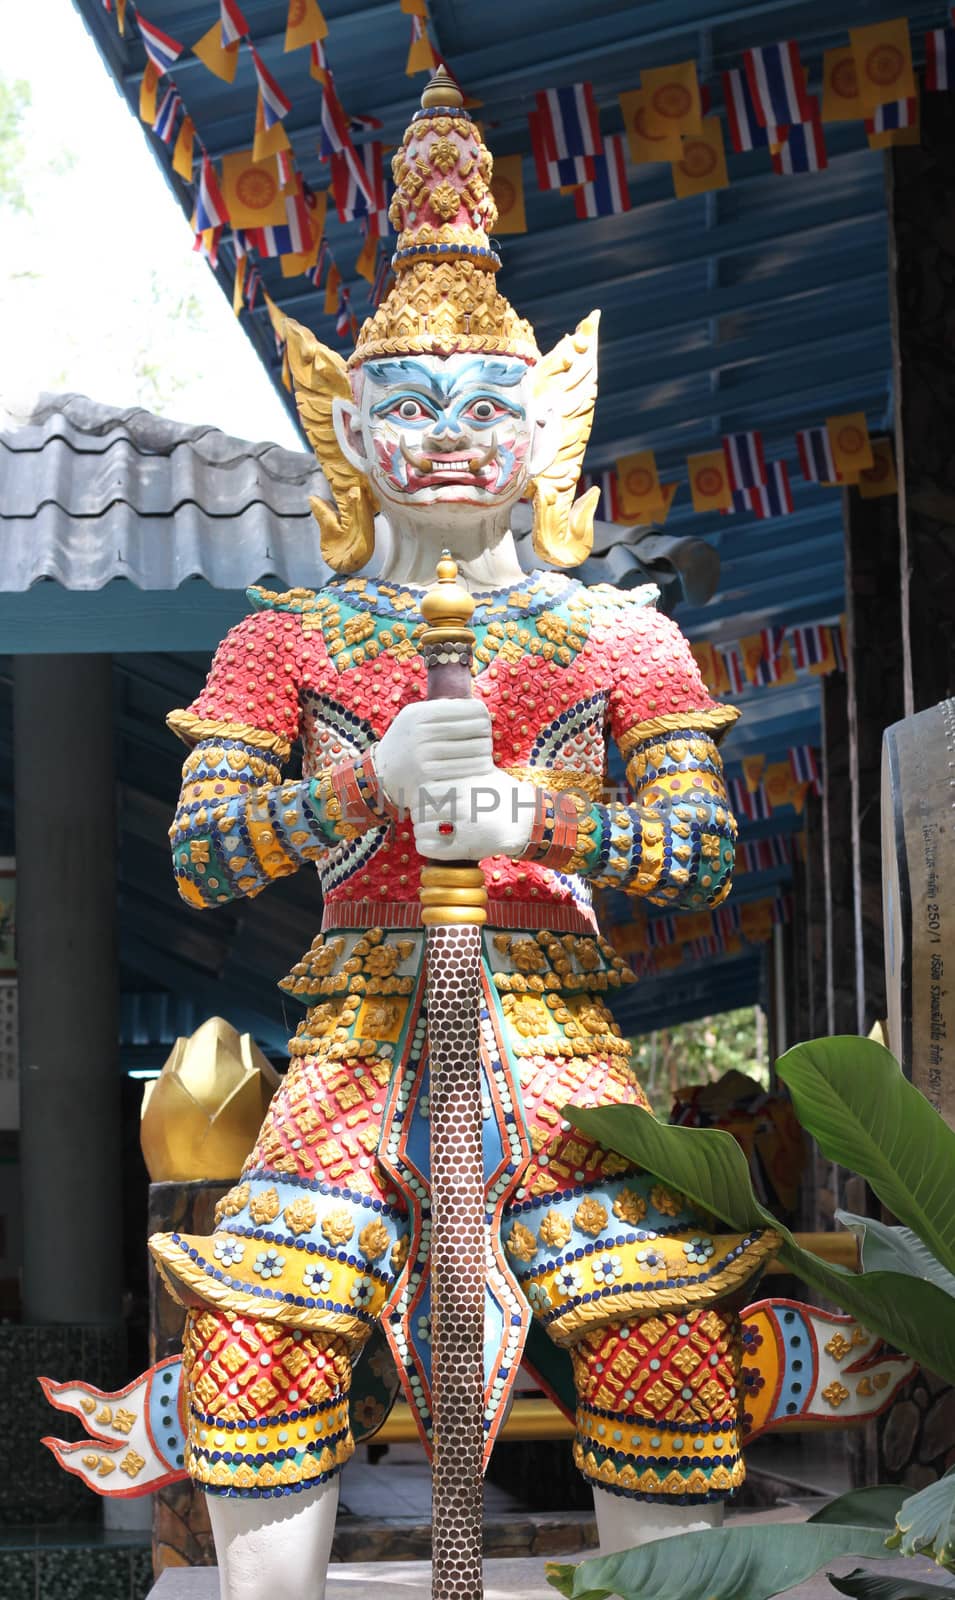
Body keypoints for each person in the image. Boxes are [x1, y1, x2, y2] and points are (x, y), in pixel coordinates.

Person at [149, 65, 775, 1600]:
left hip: (558, 1028)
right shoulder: (283, 643)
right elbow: (204, 857)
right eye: (409, 410)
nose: (445, 441)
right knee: (261, 1332)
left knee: (656, 1329)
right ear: (348, 428)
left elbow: (702, 853)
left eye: (485, 408)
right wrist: (359, 790)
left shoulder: (620, 637)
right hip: (361, 1020)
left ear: (547, 423)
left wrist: (534, 814)